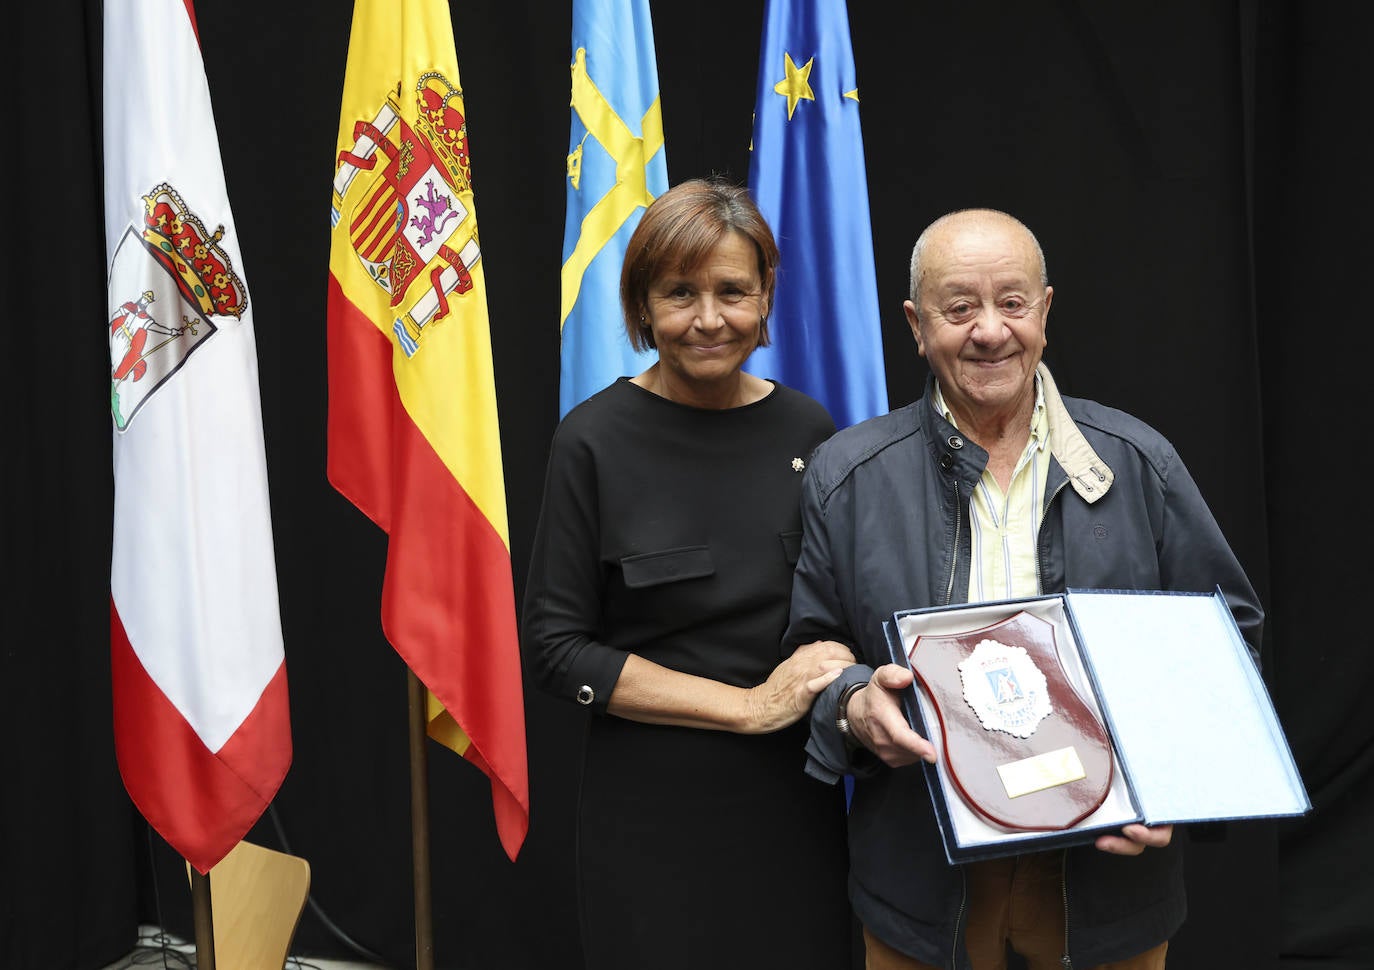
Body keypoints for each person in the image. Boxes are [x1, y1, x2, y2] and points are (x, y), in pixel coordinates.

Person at [784, 208, 1264, 969]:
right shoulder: (848, 478)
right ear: (916, 323)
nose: (989, 331)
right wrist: (850, 701)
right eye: (959, 307)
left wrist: (1175, 779)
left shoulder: (1140, 463)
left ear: (1044, 310)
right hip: (922, 878)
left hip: (1105, 885)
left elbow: (1226, 637)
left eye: (1011, 303)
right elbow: (813, 645)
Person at [522, 177, 857, 970]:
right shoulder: (592, 441)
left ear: (766, 295)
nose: (709, 319)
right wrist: (746, 708)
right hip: (649, 816)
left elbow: (838, 607)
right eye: (679, 293)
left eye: (733, 291)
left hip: (794, 805)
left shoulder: (810, 429)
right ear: (641, 308)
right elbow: (557, 649)